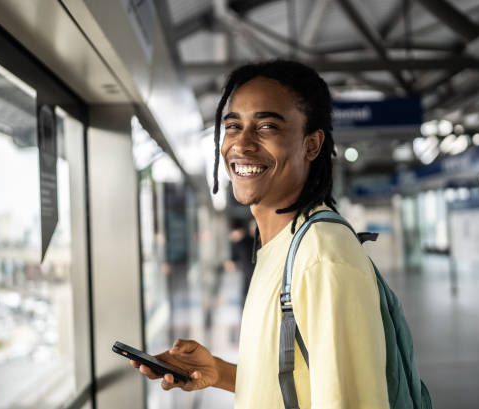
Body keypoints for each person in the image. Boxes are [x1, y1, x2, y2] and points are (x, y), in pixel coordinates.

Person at [130, 60, 389, 408]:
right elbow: (299, 383)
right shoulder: (281, 247)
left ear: (311, 145)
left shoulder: (322, 259)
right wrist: (218, 372)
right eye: (233, 126)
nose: (242, 143)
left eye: (267, 126)